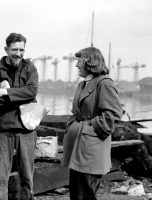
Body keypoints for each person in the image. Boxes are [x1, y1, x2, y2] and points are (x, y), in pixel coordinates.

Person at [62, 47, 123, 200]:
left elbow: (113, 114)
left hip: (91, 147)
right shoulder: (82, 84)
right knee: (77, 193)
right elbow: (77, 112)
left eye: (79, 61)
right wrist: (73, 126)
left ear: (90, 62)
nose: (76, 65)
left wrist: (90, 127)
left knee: (86, 193)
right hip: (77, 146)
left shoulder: (104, 83)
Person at [0, 33, 38, 200]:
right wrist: (22, 98)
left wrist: (5, 91)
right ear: (6, 49)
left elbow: (32, 91)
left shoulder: (30, 68)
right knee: (1, 177)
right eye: (14, 49)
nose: (18, 53)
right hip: (3, 128)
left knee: (27, 176)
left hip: (27, 128)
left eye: (21, 49)